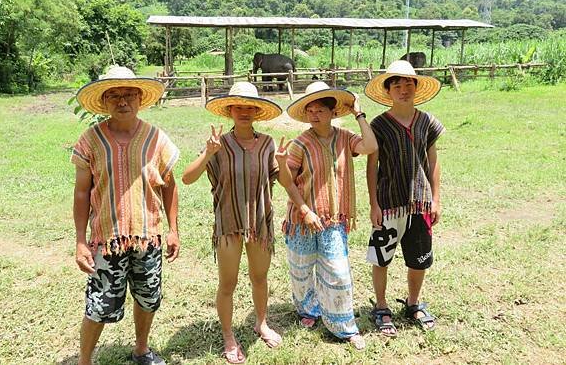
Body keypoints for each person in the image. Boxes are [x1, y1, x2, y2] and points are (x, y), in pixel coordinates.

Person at [71, 66, 180, 365]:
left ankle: (141, 349)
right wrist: (80, 241)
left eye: (129, 94)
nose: (122, 101)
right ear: (104, 102)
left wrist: (173, 230)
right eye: (114, 95)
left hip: (149, 236)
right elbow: (82, 193)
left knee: (148, 298)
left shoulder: (156, 138)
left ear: (140, 98)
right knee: (99, 304)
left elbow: (170, 186)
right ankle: (84, 361)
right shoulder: (91, 140)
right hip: (106, 239)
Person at [182, 82, 288, 364]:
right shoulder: (219, 145)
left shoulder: (267, 144)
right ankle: (229, 335)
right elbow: (187, 177)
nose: (244, 111)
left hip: (260, 222)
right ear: (229, 110)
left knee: (259, 278)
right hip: (228, 222)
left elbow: (285, 182)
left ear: (257, 111)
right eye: (238, 106)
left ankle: (261, 323)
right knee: (227, 283)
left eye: (249, 106)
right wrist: (207, 153)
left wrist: (283, 162)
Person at [279, 81, 378, 350]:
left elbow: (370, 146)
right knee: (301, 270)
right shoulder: (300, 143)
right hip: (302, 219)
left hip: (333, 219)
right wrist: (304, 209)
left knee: (338, 272)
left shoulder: (345, 138)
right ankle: (308, 310)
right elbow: (286, 181)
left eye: (320, 109)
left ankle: (343, 326)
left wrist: (359, 113)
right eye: (310, 110)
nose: (314, 114)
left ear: (333, 112)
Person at [364, 60, 445, 336]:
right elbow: (371, 166)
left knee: (418, 258)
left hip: (420, 202)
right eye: (396, 84)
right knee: (381, 257)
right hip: (388, 202)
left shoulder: (427, 122)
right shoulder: (378, 125)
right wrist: (374, 203)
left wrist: (436, 198)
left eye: (408, 83)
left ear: (416, 86)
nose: (403, 89)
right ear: (388, 91)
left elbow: (433, 160)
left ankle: (413, 303)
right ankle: (382, 306)